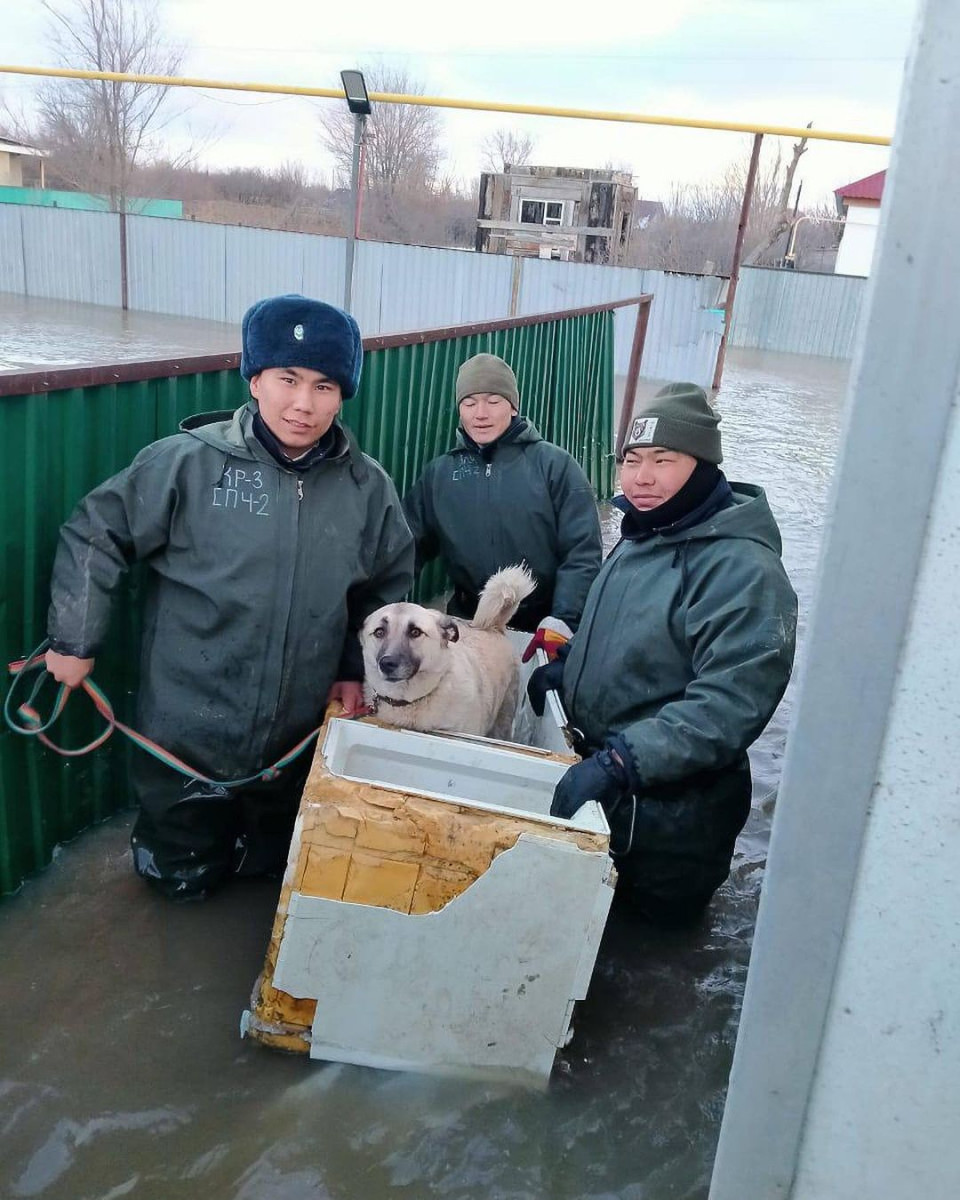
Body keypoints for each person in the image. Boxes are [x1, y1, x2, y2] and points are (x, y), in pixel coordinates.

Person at [44, 294, 415, 900]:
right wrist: (73, 638)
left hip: (295, 738)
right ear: (254, 378)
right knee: (176, 887)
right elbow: (97, 530)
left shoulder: (366, 486)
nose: (303, 403)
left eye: (324, 385)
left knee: (274, 880)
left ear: (343, 393)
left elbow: (386, 588)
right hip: (184, 736)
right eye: (287, 379)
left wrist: (354, 669)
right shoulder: (187, 463)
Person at [528, 382, 797, 926]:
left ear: (701, 466)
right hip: (617, 792)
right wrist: (571, 667)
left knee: (648, 959)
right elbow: (632, 634)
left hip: (675, 820)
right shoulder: (644, 534)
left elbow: (729, 704)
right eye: (631, 460)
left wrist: (624, 759)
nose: (641, 477)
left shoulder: (742, 569)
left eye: (662, 460)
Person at [402, 352, 602, 656]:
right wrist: (384, 609)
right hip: (468, 625)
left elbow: (582, 552)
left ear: (513, 405)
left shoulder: (554, 466)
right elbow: (407, 547)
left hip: (542, 627)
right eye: (469, 403)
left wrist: (563, 619)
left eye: (493, 401)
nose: (480, 413)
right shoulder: (440, 474)